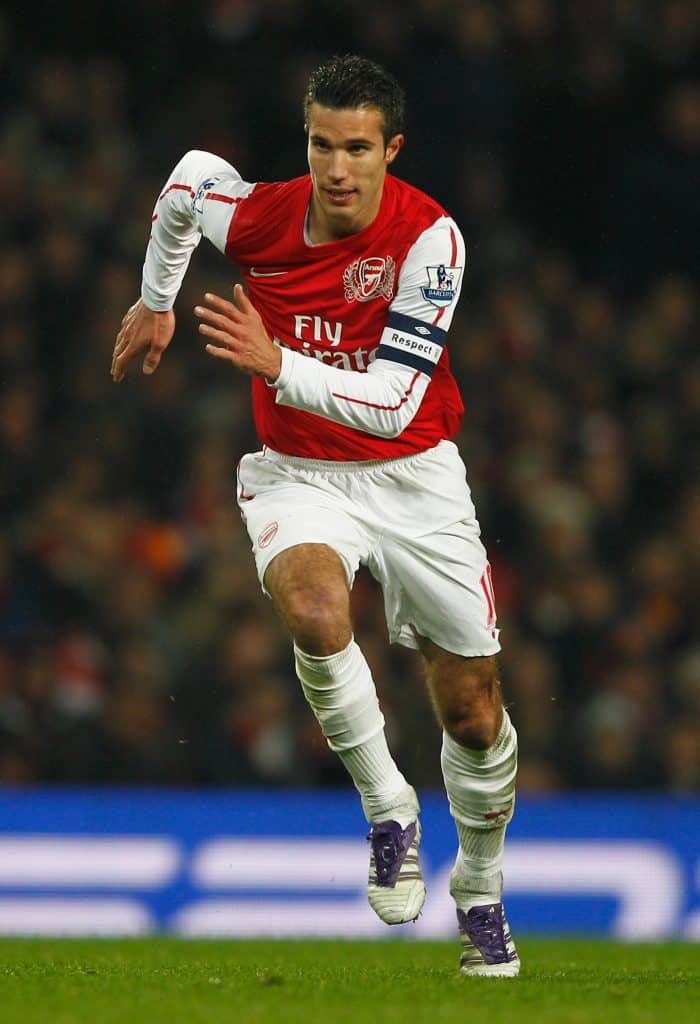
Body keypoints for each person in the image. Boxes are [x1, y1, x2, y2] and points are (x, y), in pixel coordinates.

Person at [111, 54, 519, 977]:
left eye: (359, 149)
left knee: (475, 716)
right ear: (308, 140)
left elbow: (390, 401)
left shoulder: (430, 242)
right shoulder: (258, 214)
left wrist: (273, 364)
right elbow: (184, 186)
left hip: (413, 473)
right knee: (314, 611)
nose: (338, 168)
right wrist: (156, 300)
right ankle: (389, 809)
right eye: (323, 145)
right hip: (297, 471)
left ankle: (482, 891)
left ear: (391, 150)